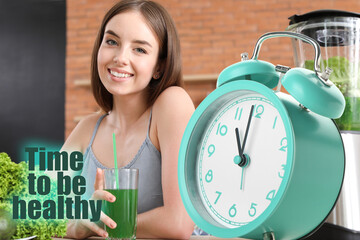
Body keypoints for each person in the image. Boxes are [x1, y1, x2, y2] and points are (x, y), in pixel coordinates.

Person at [62, 0, 195, 238]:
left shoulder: (171, 104)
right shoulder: (87, 129)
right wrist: (76, 225)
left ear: (159, 67)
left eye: (140, 49)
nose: (120, 58)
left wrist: (97, 223)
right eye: (111, 41)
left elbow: (179, 222)